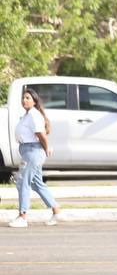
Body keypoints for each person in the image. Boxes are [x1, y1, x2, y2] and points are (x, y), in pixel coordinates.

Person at [7, 88, 62, 228]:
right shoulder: (27, 115)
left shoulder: (33, 115)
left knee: (22, 182)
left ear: (34, 101)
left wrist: (47, 147)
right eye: (23, 98)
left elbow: (41, 134)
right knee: (37, 184)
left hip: (33, 151)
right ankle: (56, 210)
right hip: (28, 150)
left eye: (28, 98)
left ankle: (23, 216)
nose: (24, 100)